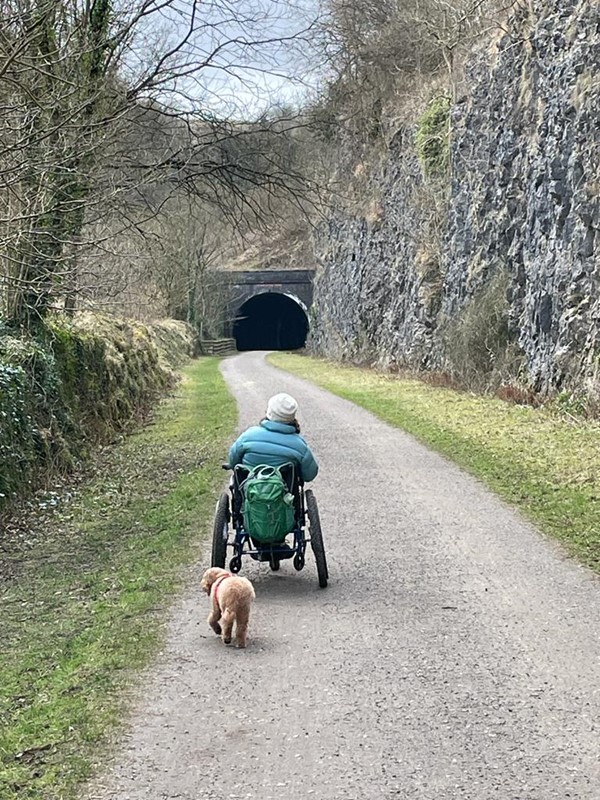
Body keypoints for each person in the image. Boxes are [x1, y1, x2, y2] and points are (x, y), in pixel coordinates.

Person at [228, 392, 318, 482]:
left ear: (269, 412)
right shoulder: (300, 446)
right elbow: (309, 475)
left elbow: (233, 461)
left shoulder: (248, 436)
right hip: (285, 493)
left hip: (248, 488)